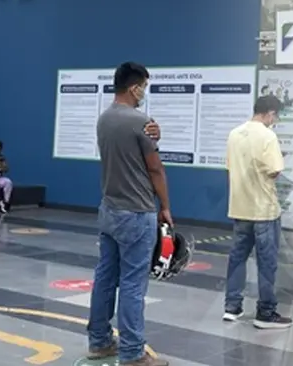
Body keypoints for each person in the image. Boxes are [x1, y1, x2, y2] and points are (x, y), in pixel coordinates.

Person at [86, 61, 171, 366]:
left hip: (109, 210)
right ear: (135, 87)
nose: (144, 92)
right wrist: (166, 207)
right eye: (144, 86)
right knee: (134, 284)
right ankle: (133, 354)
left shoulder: (104, 118)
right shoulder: (141, 121)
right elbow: (155, 168)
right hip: (137, 213)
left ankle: (99, 342)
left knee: (105, 277)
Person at [222, 94, 292, 329]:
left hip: (240, 208)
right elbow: (274, 171)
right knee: (267, 262)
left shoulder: (234, 134)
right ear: (270, 113)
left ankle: (232, 307)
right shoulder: (268, 135)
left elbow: (230, 168)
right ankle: (266, 313)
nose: (275, 120)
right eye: (276, 116)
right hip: (264, 210)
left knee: (237, 259)